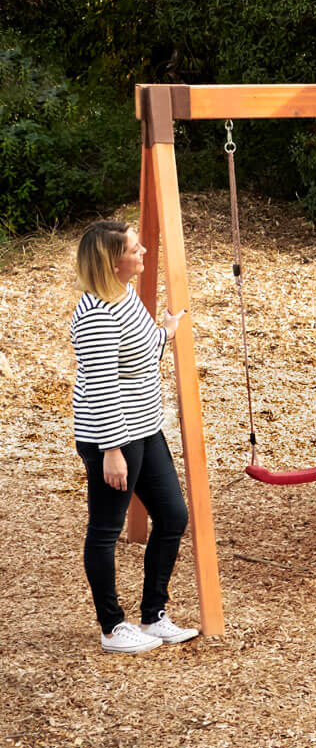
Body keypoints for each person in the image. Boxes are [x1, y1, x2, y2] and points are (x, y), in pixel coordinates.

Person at [70, 220, 200, 654]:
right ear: (113, 260)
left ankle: (153, 615)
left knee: (173, 517)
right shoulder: (95, 314)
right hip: (112, 437)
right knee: (106, 530)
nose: (143, 250)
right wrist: (111, 451)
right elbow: (103, 384)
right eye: (134, 247)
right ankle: (112, 628)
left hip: (145, 427)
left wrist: (166, 330)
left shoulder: (124, 298)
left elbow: (138, 355)